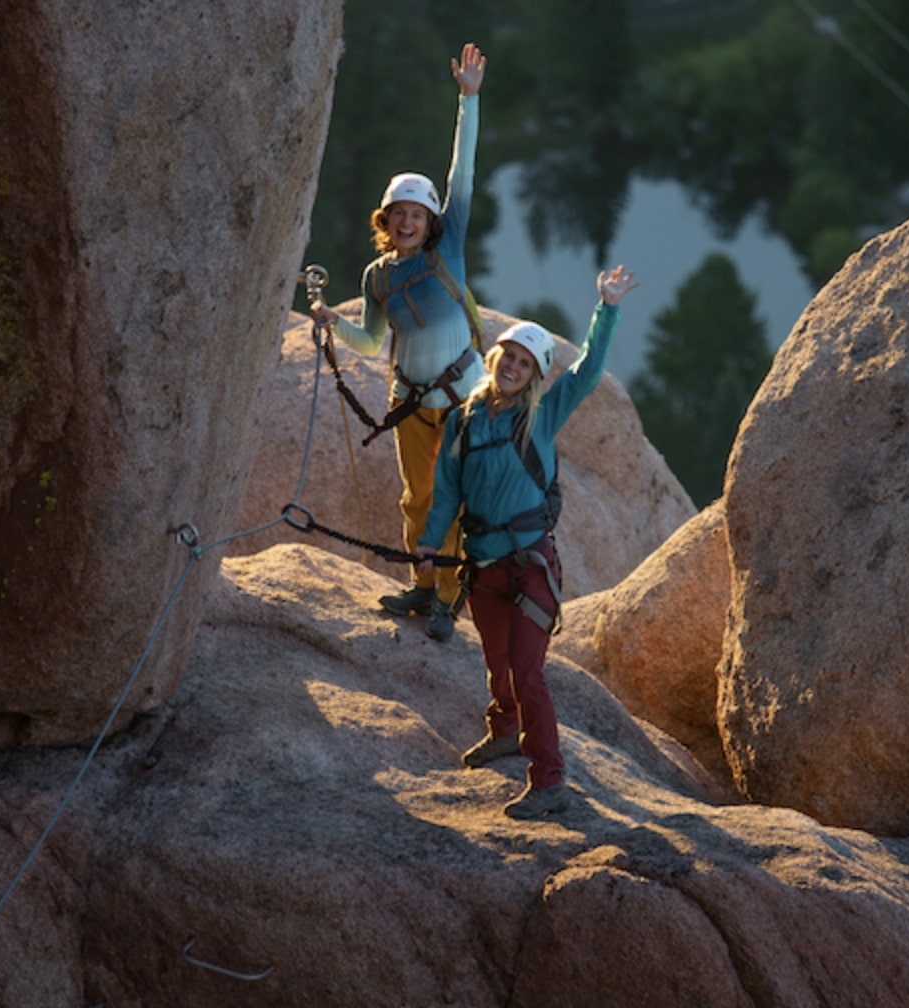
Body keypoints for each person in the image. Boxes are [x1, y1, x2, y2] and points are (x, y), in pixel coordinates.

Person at [416, 266, 640, 820]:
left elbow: (586, 372)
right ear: (494, 359)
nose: (514, 366)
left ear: (536, 375)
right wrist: (426, 544)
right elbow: (445, 492)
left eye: (525, 362)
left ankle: (549, 780)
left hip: (531, 565)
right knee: (497, 663)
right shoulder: (464, 421)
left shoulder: (540, 415)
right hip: (484, 565)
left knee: (528, 670)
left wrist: (606, 309)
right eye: (508, 357)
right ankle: (506, 731)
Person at [310, 42, 488, 643]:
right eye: (397, 215)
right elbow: (371, 340)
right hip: (412, 401)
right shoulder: (377, 277)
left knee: (452, 502)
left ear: (432, 220)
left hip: (461, 398)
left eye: (416, 214)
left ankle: (446, 598)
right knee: (418, 500)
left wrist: (468, 99)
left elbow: (462, 174)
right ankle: (423, 583)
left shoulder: (448, 251)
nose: (406, 222)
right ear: (384, 222)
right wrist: (336, 329)